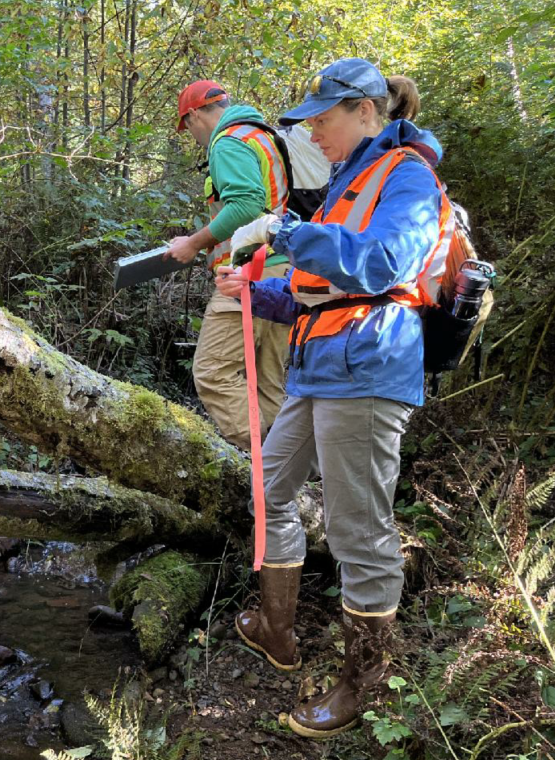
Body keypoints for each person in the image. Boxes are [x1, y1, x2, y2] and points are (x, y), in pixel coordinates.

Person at [214, 58, 444, 739]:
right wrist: (255, 293)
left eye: (322, 120)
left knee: (356, 534)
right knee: (269, 486)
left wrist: (284, 232)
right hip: (319, 366)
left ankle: (362, 688)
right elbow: (319, 290)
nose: (311, 134)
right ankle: (276, 632)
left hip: (370, 366)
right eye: (308, 123)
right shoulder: (347, 182)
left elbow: (385, 266)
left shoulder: (405, 174)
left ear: (367, 111)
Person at [166, 80, 292, 449]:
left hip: (250, 271)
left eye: (187, 126)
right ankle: (286, 481)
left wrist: (193, 243)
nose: (190, 134)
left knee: (212, 372)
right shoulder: (262, 136)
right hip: (284, 270)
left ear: (194, 115)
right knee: (269, 381)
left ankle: (264, 463)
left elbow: (247, 206)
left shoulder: (228, 141)